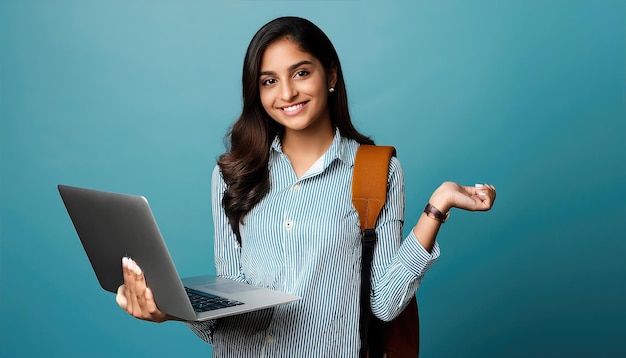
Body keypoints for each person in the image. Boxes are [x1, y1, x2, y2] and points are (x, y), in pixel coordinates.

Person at [116, 16, 496, 357]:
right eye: (269, 81)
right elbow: (227, 310)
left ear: (330, 75)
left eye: (300, 73)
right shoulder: (233, 174)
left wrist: (437, 207)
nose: (286, 94)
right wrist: (169, 308)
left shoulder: (377, 171)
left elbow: (384, 301)